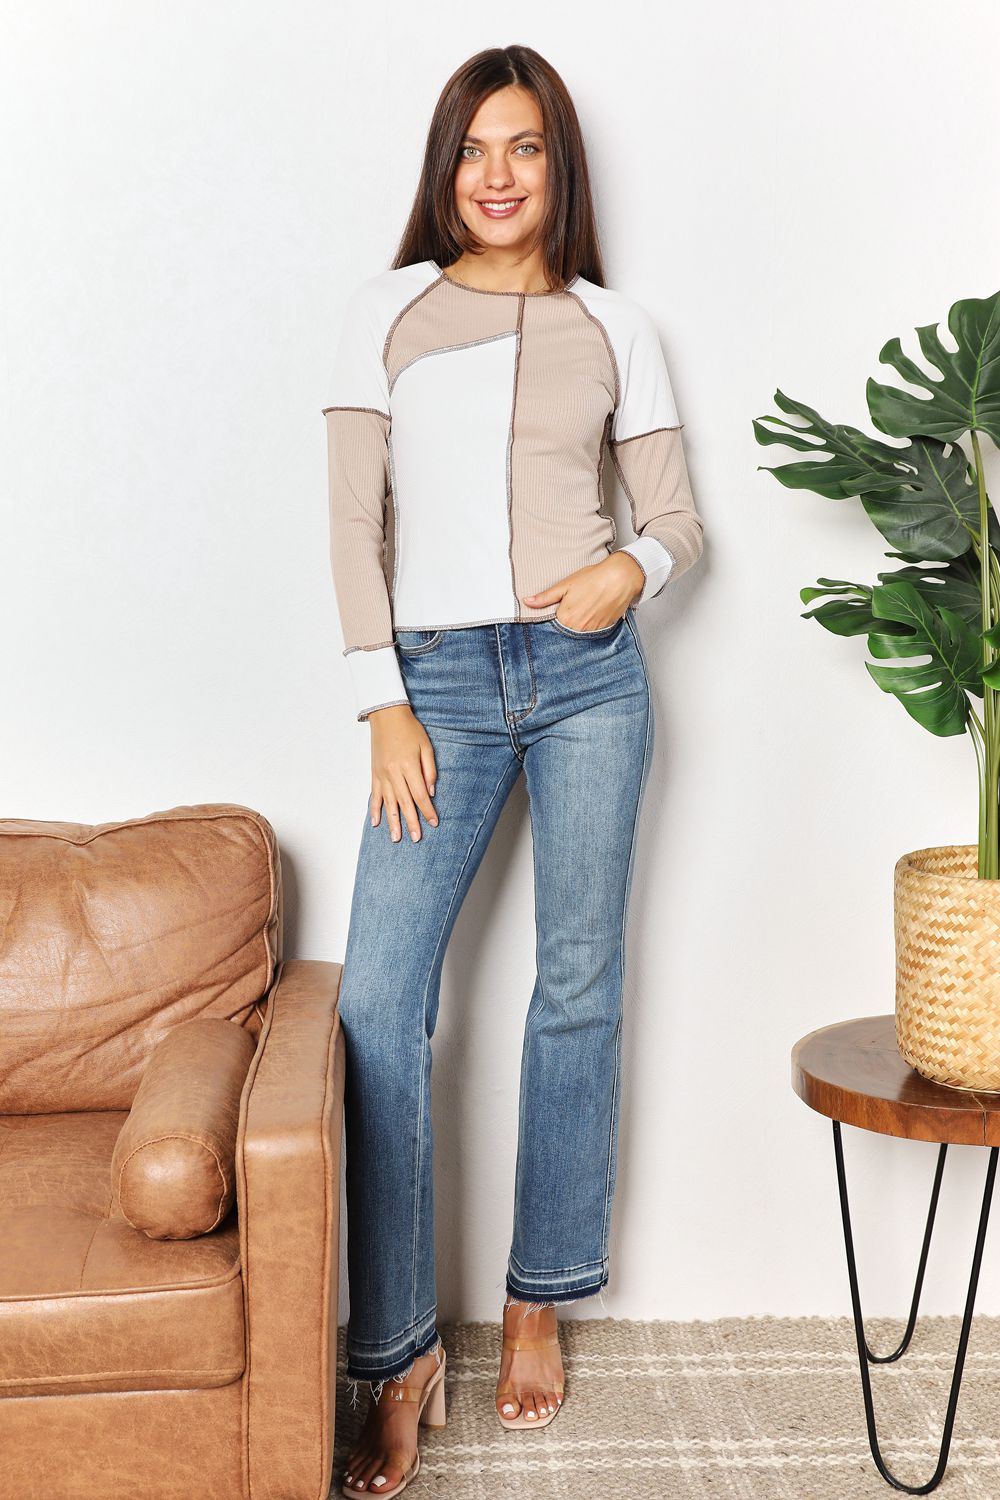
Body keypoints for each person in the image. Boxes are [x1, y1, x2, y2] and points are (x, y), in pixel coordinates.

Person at [323, 43, 705, 1498]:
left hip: (591, 680)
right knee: (376, 1001)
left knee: (578, 982)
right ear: (445, 167)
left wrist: (629, 569)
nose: (498, 174)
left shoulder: (618, 324)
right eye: (477, 148)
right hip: (440, 695)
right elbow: (353, 525)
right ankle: (401, 1351)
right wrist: (384, 704)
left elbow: (677, 517)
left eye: (527, 147)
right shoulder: (386, 315)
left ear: (559, 169)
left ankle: (538, 1293)